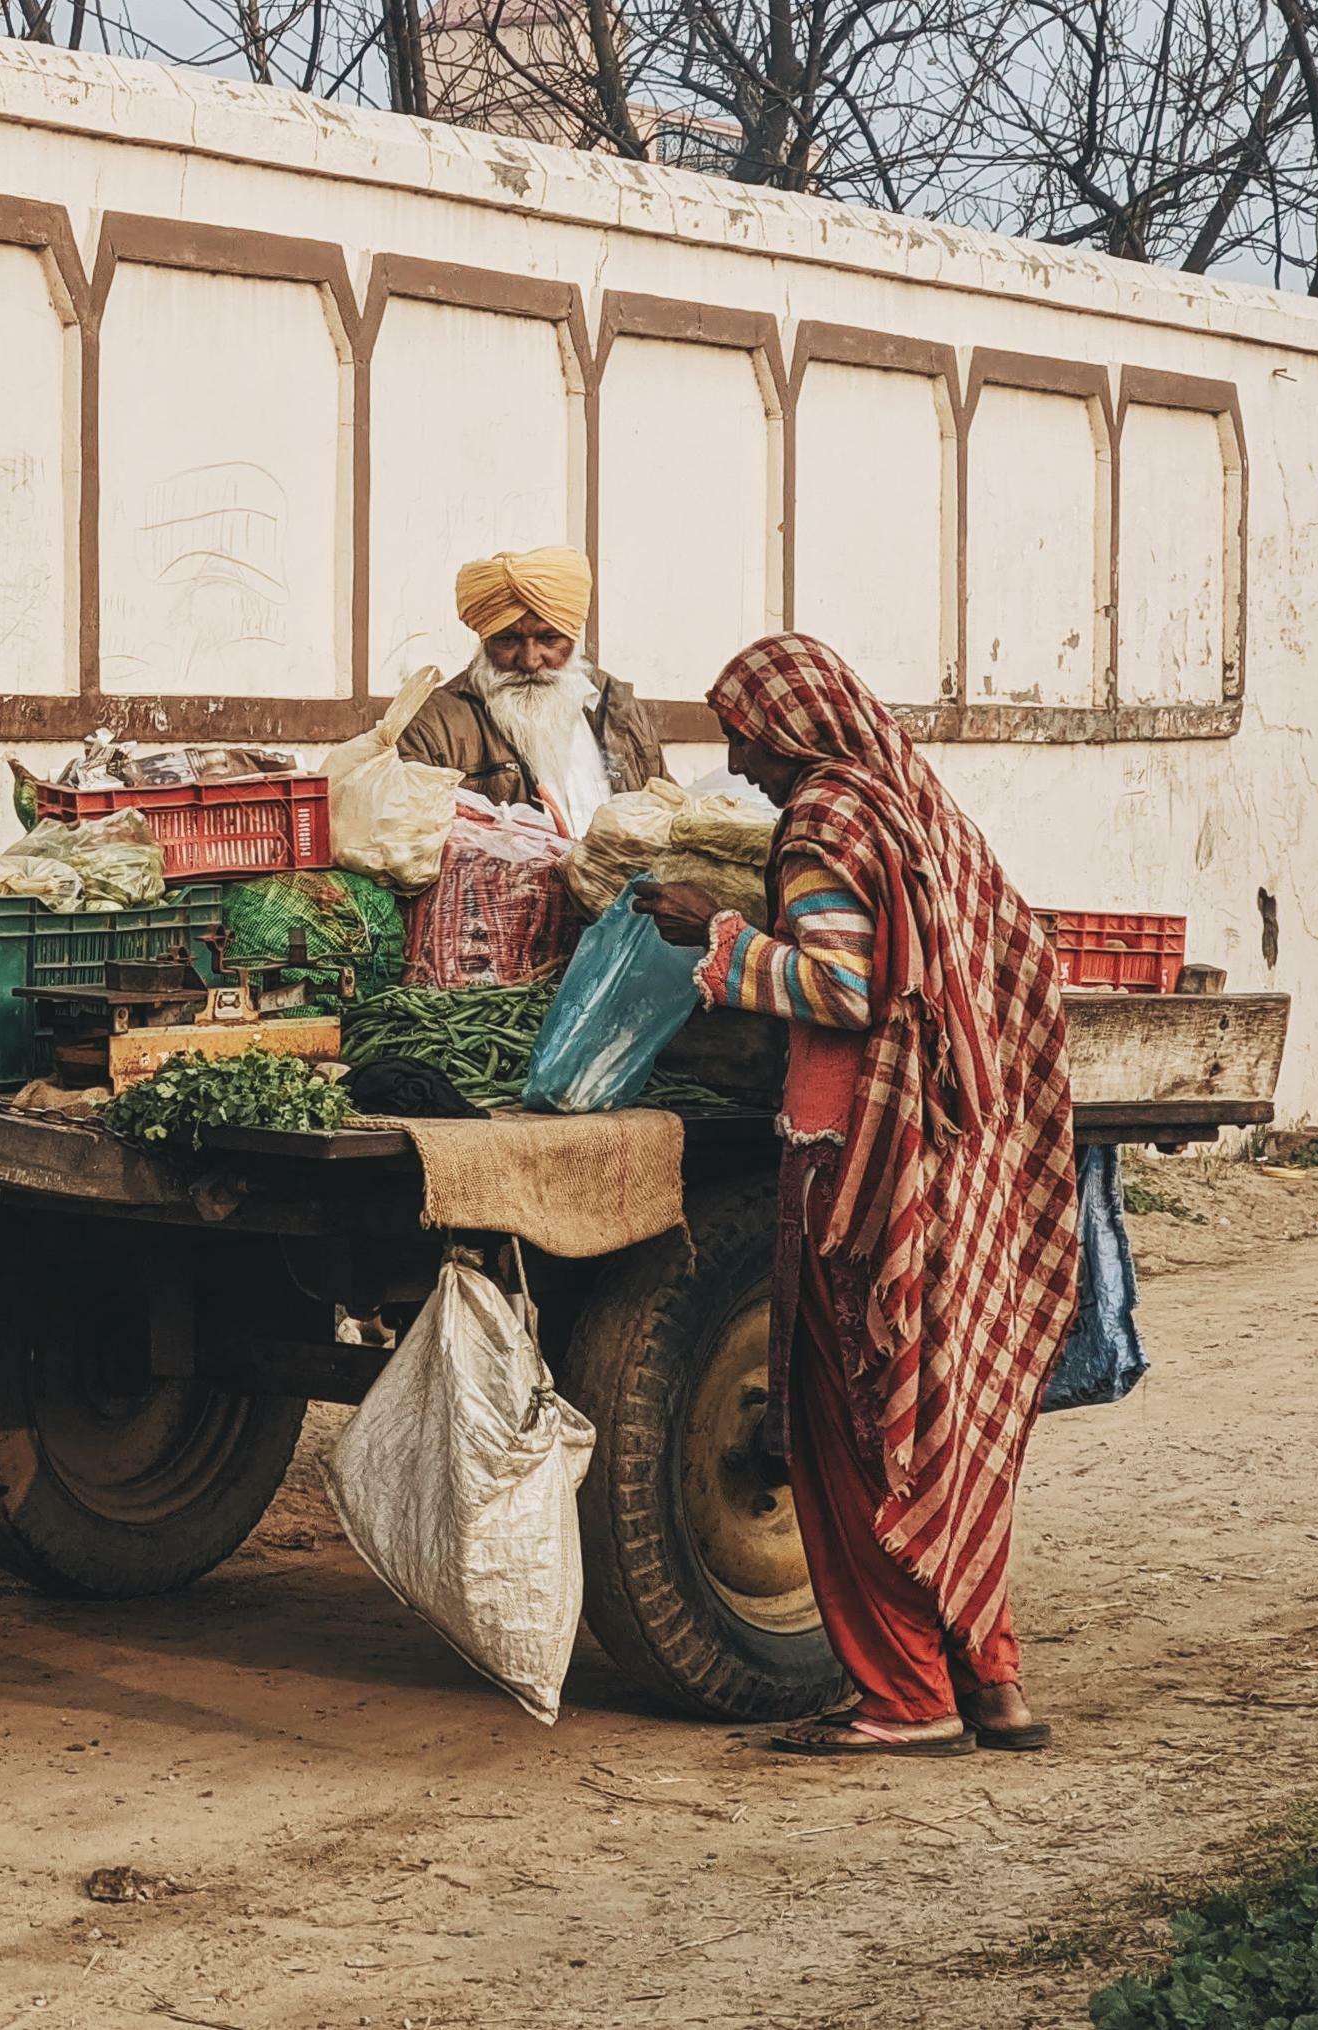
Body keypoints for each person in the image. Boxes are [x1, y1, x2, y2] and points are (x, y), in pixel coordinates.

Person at [631, 633, 1079, 1758]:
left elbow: (839, 984)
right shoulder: (907, 800)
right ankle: (992, 1680)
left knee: (855, 1428)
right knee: (939, 1416)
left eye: (742, 734)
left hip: (856, 1152)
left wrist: (718, 935)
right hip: (942, 1150)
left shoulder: (825, 823)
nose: (738, 762)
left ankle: (901, 1695)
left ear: (786, 726)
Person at [397, 545, 664, 829]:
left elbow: (665, 816)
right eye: (508, 640)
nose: (530, 661)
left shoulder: (616, 706)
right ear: (484, 642)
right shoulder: (432, 728)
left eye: (549, 639)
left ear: (573, 638)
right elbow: (413, 845)